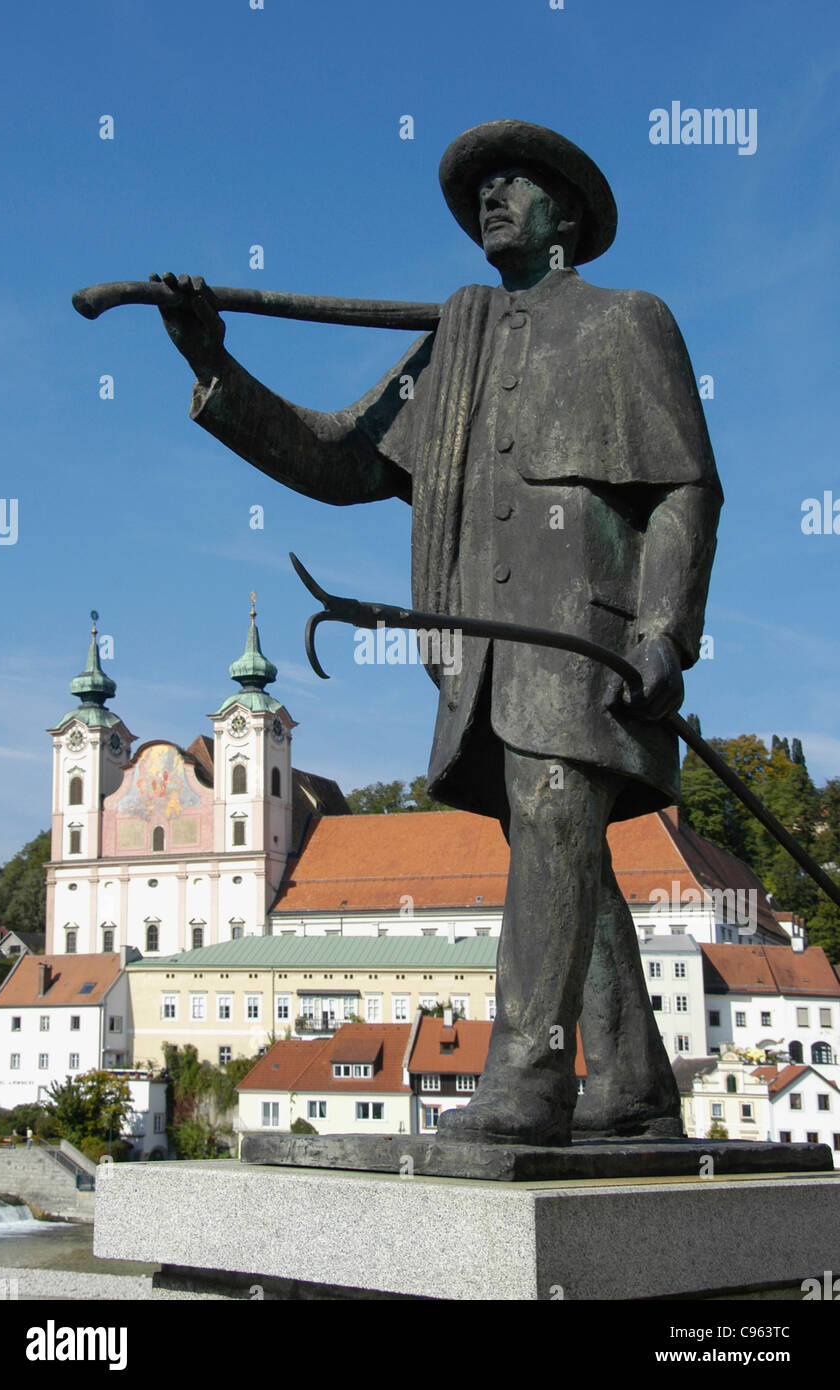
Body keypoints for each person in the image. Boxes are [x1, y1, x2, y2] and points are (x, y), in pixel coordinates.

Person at [152, 120, 722, 1145]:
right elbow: (339, 459)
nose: (492, 197)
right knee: (566, 852)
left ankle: (526, 1082)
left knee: (554, 826)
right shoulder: (452, 348)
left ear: (570, 216)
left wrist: (664, 634)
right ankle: (634, 1074)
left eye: (517, 182)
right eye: (481, 188)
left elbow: (684, 491)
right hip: (483, 663)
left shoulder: (628, 323)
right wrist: (219, 370)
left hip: (583, 646)